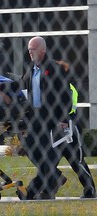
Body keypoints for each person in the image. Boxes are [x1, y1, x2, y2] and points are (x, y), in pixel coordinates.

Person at [0, 36, 75, 199]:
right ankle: (54, 179)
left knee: (48, 156)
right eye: (29, 49)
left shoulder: (54, 68)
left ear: (42, 50)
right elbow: (20, 83)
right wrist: (2, 86)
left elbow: (66, 96)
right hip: (36, 119)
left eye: (33, 49)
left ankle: (44, 191)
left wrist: (63, 119)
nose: (30, 52)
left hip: (52, 119)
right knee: (32, 150)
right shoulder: (32, 69)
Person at [54, 61, 96, 199]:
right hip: (55, 131)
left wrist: (65, 121)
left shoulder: (68, 88)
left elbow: (72, 107)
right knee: (49, 162)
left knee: (76, 161)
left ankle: (90, 190)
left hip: (70, 129)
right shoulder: (52, 87)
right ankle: (44, 189)